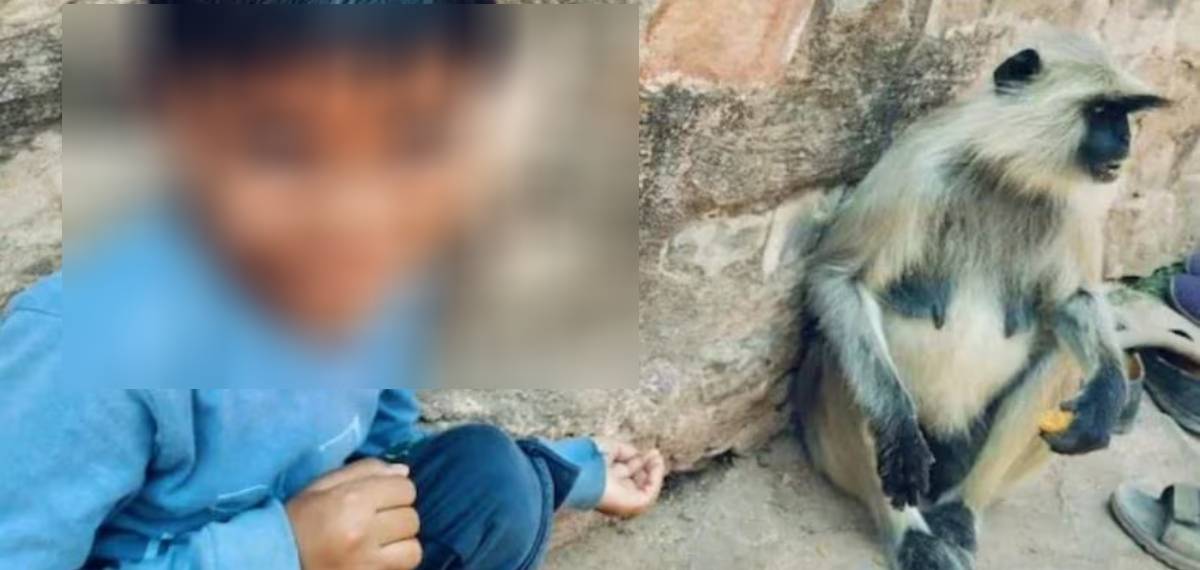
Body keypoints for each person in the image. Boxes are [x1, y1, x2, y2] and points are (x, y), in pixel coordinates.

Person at [0, 3, 663, 569]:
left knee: (493, 483)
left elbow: (386, 454)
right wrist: (283, 550)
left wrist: (567, 472)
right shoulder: (85, 349)